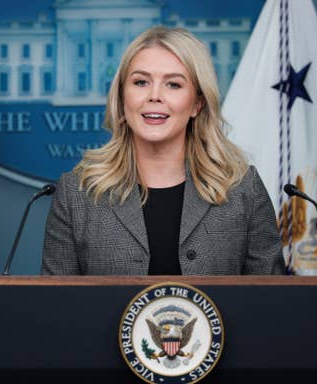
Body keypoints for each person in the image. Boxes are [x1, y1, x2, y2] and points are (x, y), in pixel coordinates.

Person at [41, 26, 284, 275]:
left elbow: (269, 305)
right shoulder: (76, 195)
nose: (154, 96)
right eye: (141, 82)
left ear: (197, 104)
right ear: (122, 100)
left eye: (173, 85)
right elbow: (57, 308)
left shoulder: (243, 189)